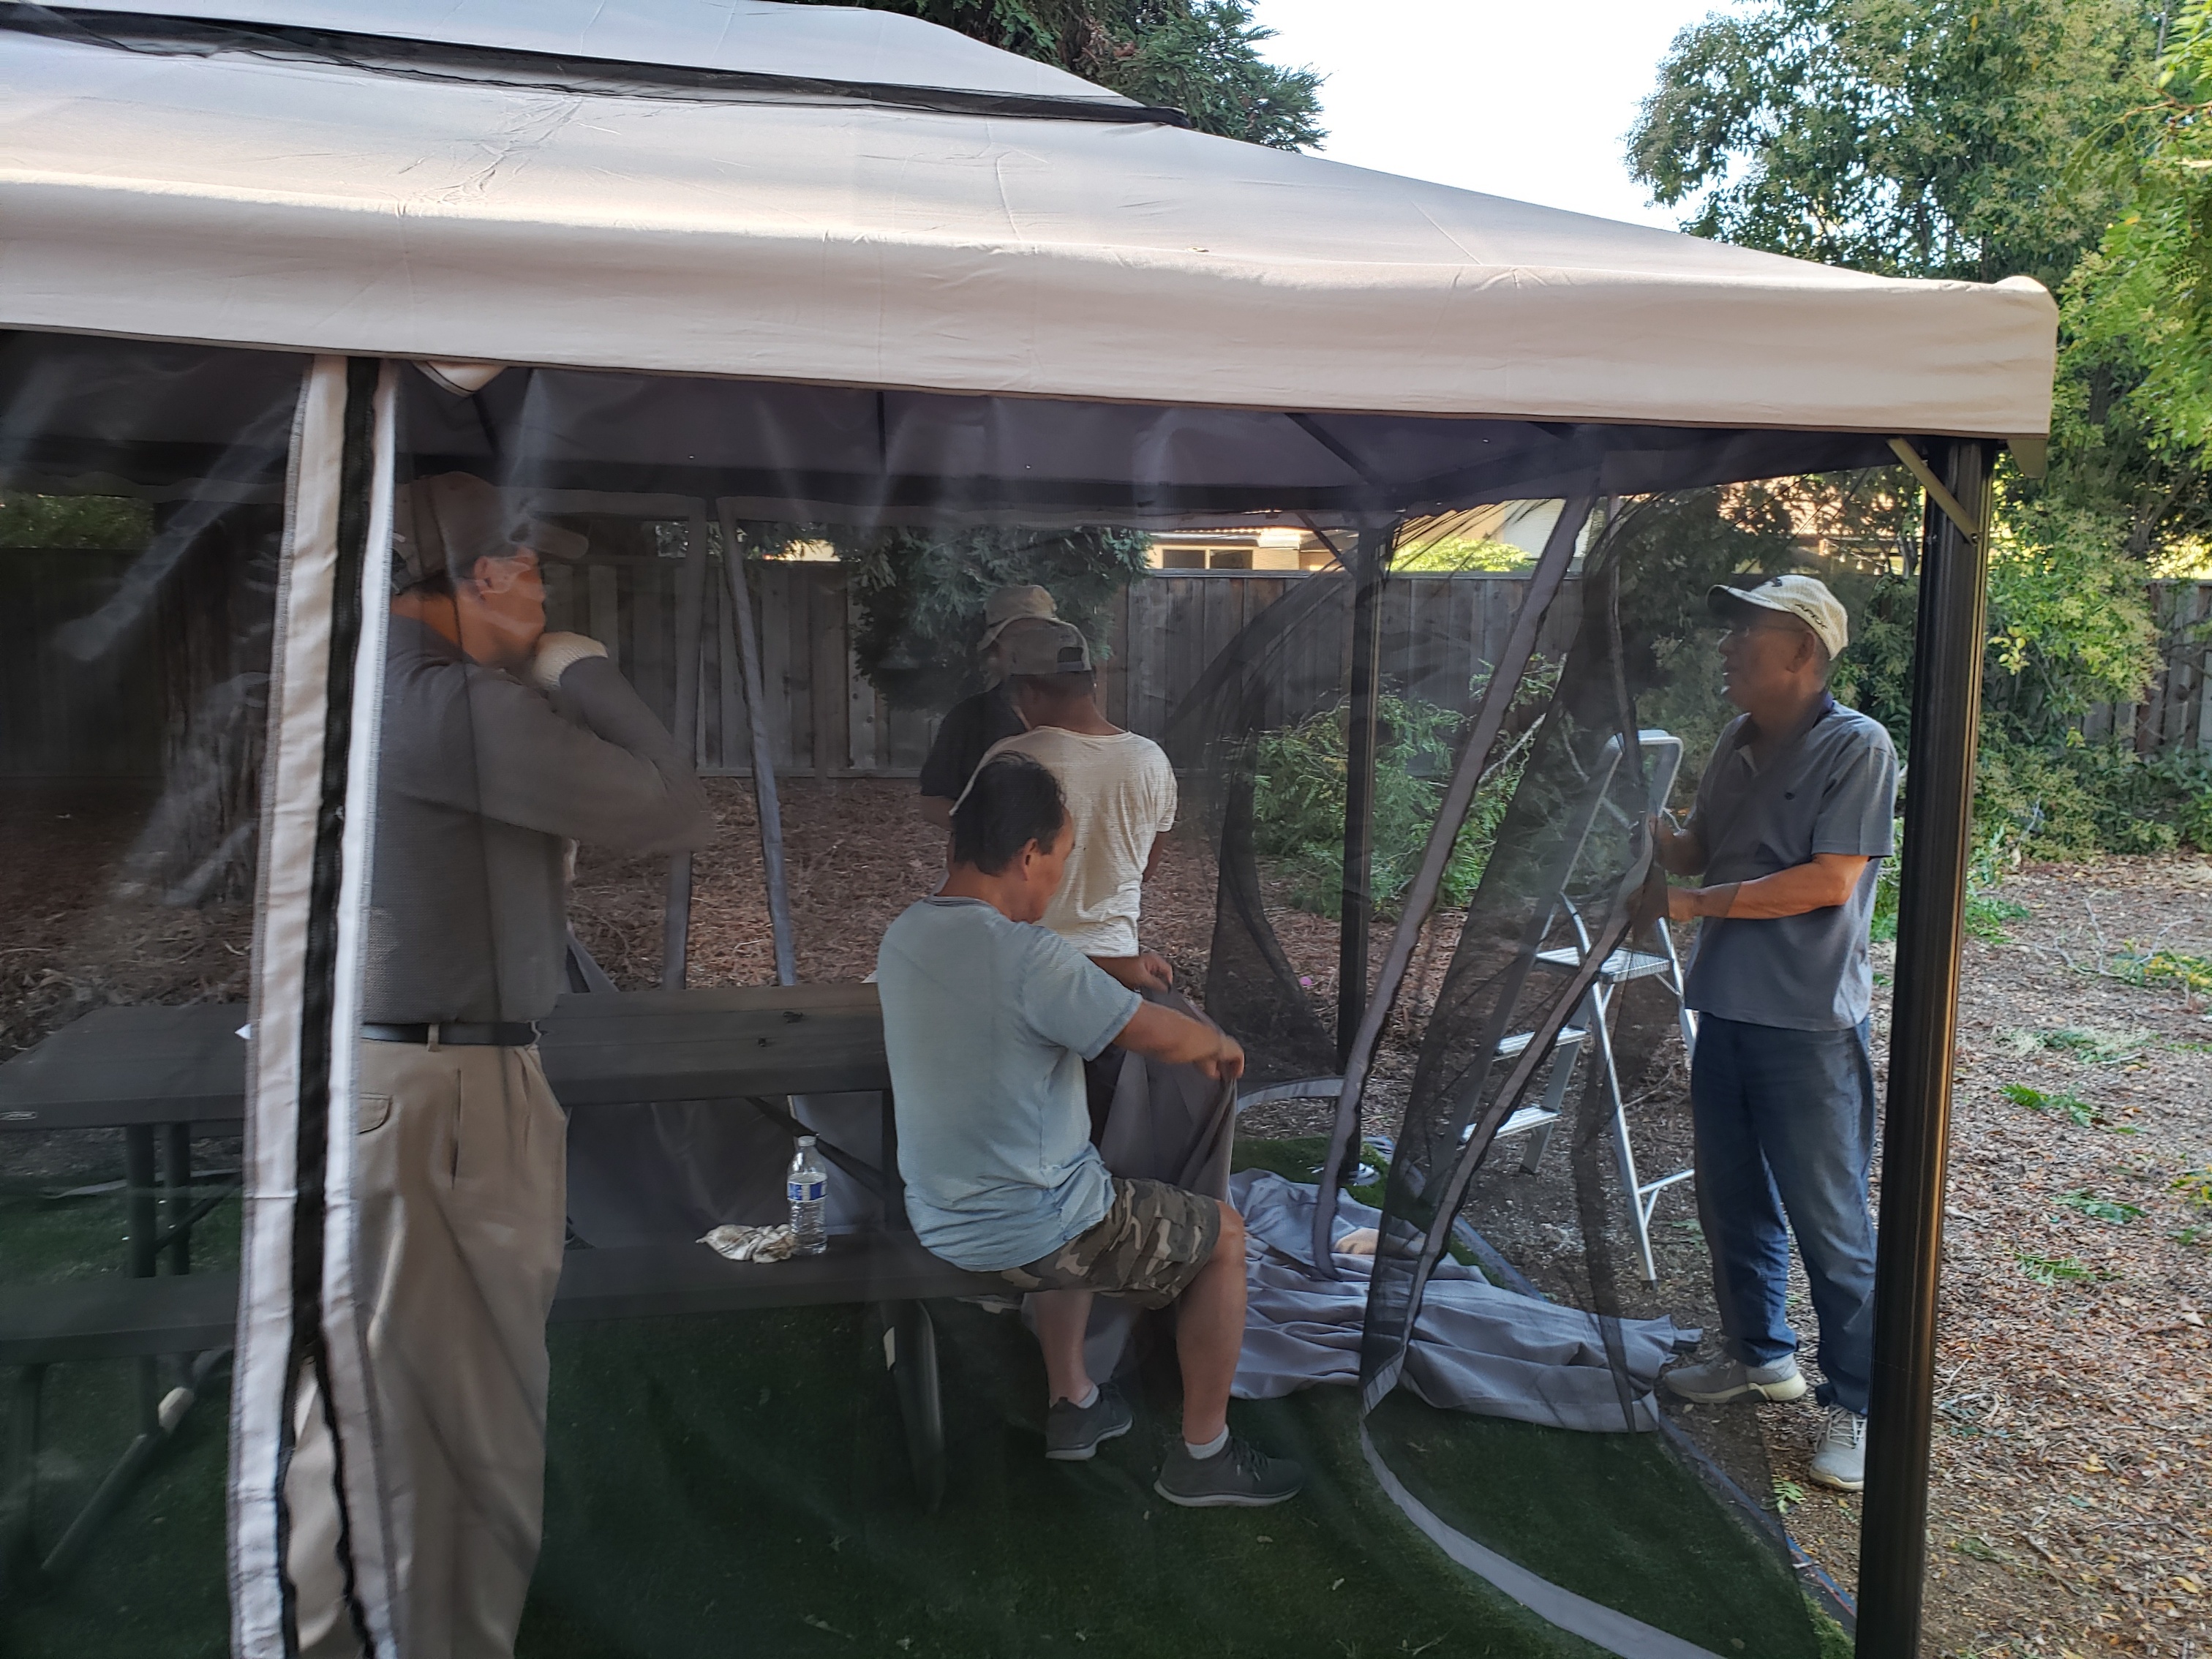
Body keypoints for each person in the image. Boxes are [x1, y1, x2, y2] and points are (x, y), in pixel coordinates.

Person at [285, 472, 714, 1658]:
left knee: (370, 1391)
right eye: (533, 575)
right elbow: (674, 807)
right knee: (470, 1413)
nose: (543, 597)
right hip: (450, 1095)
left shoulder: (371, 686)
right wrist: (580, 669)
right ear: (484, 576)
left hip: (401, 1080)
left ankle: (346, 1629)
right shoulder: (455, 708)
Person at [876, 754, 1304, 1507]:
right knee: (1224, 1238)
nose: (1059, 878)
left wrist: (1112, 964)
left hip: (938, 1216)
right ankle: (1204, 1455)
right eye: (1062, 858)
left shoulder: (906, 937)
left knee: (1084, 1176)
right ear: (1029, 854)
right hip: (1028, 1232)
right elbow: (1150, 1034)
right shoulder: (1028, 956)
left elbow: (1015, 979)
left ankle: (1074, 1401)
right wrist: (1213, 1042)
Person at [1653, 572, 1897, 1494]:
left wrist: (1691, 902)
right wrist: (1650, 826)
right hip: (1725, 1007)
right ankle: (1760, 1358)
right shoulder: (1735, 739)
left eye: (1746, 632)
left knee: (1831, 1225)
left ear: (1801, 651)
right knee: (1731, 1200)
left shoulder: (1857, 745)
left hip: (1808, 1024)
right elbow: (1698, 851)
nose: (1726, 646)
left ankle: (1862, 1406)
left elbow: (1828, 881)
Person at [977, 619, 1178, 996]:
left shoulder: (1012, 758)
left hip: (1025, 965)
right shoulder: (1152, 760)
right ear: (1092, 682)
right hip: (1117, 967)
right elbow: (1146, 869)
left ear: (1029, 691)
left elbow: (978, 869)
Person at [916, 583, 1060, 828]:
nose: (1029, 647)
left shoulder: (1075, 710)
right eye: (1017, 637)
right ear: (995, 649)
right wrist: (989, 836)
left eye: (1040, 636)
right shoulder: (968, 718)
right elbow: (932, 802)